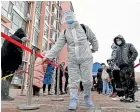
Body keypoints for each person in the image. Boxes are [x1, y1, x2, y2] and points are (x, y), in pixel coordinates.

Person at [42, 10, 98, 110]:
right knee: (73, 80)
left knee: (88, 80)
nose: (69, 20)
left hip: (86, 58)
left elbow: (93, 38)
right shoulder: (64, 32)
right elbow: (58, 46)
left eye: (70, 17)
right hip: (72, 59)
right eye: (67, 18)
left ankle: (87, 96)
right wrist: (48, 56)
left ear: (74, 17)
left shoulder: (84, 28)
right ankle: (73, 99)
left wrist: (94, 48)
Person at [1, 28, 28, 101]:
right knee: (8, 78)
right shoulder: (17, 40)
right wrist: (19, 64)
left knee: (4, 77)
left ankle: (2, 94)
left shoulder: (9, 38)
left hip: (4, 61)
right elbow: (19, 52)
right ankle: (4, 95)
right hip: (11, 62)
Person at [113, 35, 138, 102]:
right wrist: (117, 63)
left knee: (130, 82)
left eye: (119, 40)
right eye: (116, 40)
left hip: (128, 66)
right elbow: (116, 58)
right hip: (121, 68)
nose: (118, 41)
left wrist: (130, 61)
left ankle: (131, 97)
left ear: (122, 39)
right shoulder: (117, 49)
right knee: (123, 83)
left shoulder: (129, 45)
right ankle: (126, 96)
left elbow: (135, 53)